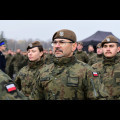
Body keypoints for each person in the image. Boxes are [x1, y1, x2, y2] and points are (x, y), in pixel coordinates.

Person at [29, 29, 108, 100]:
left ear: (73, 46)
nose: (57, 46)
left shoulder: (86, 72)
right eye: (55, 43)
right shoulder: (44, 71)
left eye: (62, 42)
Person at [92, 35, 120, 100]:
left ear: (118, 49)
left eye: (111, 46)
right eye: (105, 46)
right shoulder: (94, 67)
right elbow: (90, 89)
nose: (108, 49)